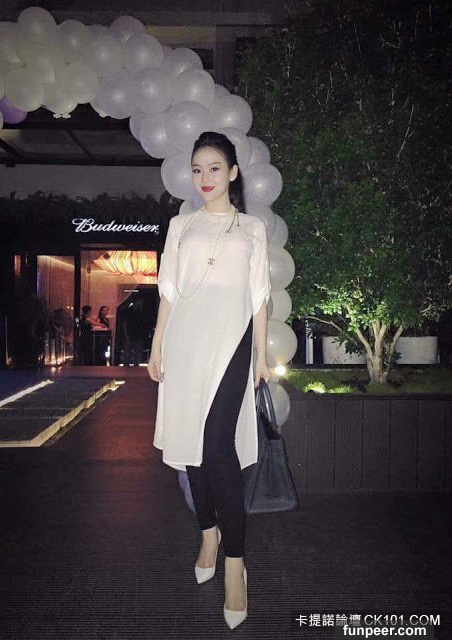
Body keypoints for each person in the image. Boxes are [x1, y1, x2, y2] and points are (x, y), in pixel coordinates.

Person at [147, 131, 272, 630]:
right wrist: (157, 345)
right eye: (197, 169)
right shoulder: (180, 226)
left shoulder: (252, 228)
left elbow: (259, 296)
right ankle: (207, 534)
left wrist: (261, 355)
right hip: (184, 344)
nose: (204, 178)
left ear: (233, 172)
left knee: (219, 448)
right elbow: (169, 292)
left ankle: (236, 565)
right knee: (193, 447)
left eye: (214, 168)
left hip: (231, 345)